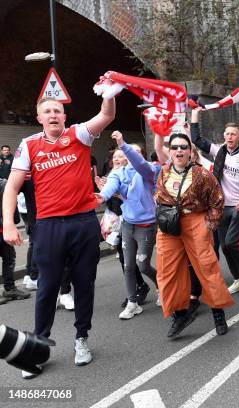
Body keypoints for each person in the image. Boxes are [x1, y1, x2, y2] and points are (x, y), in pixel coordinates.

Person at [2, 93, 117, 378]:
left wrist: (110, 95)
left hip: (83, 223)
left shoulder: (79, 134)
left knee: (84, 284)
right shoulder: (29, 145)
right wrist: (6, 222)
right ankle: (38, 347)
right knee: (47, 288)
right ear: (39, 118)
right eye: (48, 112)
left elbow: (107, 115)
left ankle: (81, 340)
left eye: (58, 111)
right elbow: (12, 188)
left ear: (64, 117)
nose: (53, 115)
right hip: (49, 226)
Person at [155, 133, 234, 338]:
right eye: (174, 147)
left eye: (183, 147)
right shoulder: (163, 172)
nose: (179, 151)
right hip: (170, 227)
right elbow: (160, 197)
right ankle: (180, 313)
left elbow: (217, 200)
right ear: (170, 151)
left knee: (206, 267)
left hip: (196, 222)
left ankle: (218, 312)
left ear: (190, 152)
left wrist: (209, 225)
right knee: (166, 271)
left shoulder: (202, 174)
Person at [96, 131, 160, 320]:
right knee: (128, 265)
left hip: (146, 224)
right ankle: (133, 302)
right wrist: (101, 196)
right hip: (128, 224)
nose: (132, 156)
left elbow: (139, 163)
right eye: (130, 153)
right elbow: (110, 187)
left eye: (137, 152)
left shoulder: (149, 170)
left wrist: (124, 144)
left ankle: (162, 287)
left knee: (143, 264)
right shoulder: (119, 172)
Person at [189, 109, 239, 296]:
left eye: (233, 134)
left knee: (231, 243)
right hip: (221, 206)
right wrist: (195, 114)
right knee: (224, 246)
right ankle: (238, 279)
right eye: (227, 134)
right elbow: (197, 139)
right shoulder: (220, 151)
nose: (229, 137)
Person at [0, 179, 29, 305]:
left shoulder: (4, 183)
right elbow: (12, 205)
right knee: (9, 258)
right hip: (3, 229)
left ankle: (10, 289)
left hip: (3, 230)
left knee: (9, 258)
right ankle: (10, 288)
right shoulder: (4, 184)